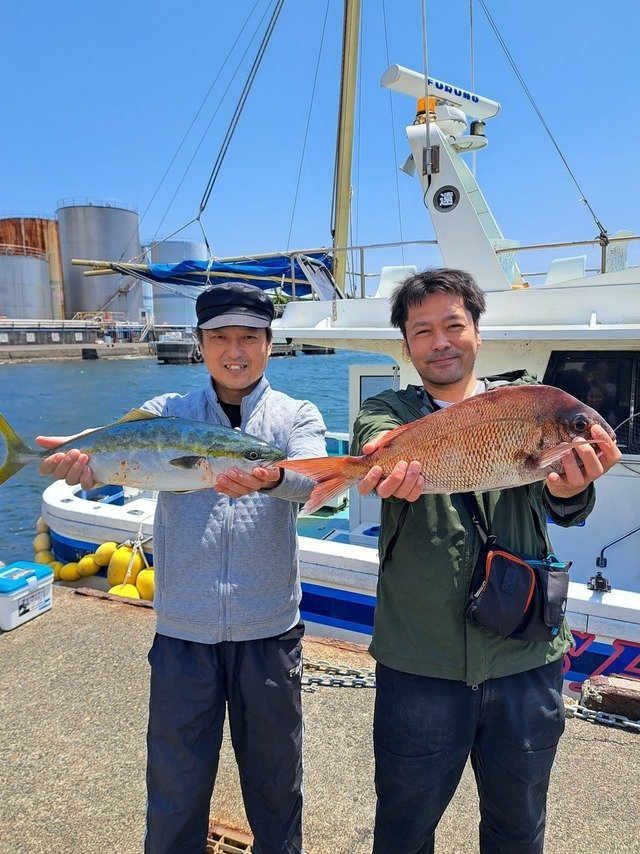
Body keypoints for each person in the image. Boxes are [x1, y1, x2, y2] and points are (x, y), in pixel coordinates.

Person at [37, 281, 327, 854]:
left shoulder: (297, 415)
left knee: (276, 783)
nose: (235, 351)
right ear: (200, 343)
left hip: (268, 630)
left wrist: (271, 477)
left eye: (250, 337)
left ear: (269, 344)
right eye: (220, 338)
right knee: (175, 785)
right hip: (182, 631)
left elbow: (314, 478)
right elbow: (118, 450)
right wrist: (84, 461)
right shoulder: (165, 411)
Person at [350, 268, 621, 854]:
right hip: (420, 659)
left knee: (518, 830)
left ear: (476, 329)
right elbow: (374, 440)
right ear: (406, 345)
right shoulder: (387, 411)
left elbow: (564, 506)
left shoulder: (527, 403)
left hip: (525, 657)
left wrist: (574, 488)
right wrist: (384, 460)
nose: (440, 342)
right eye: (422, 331)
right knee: (402, 830)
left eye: (453, 325)